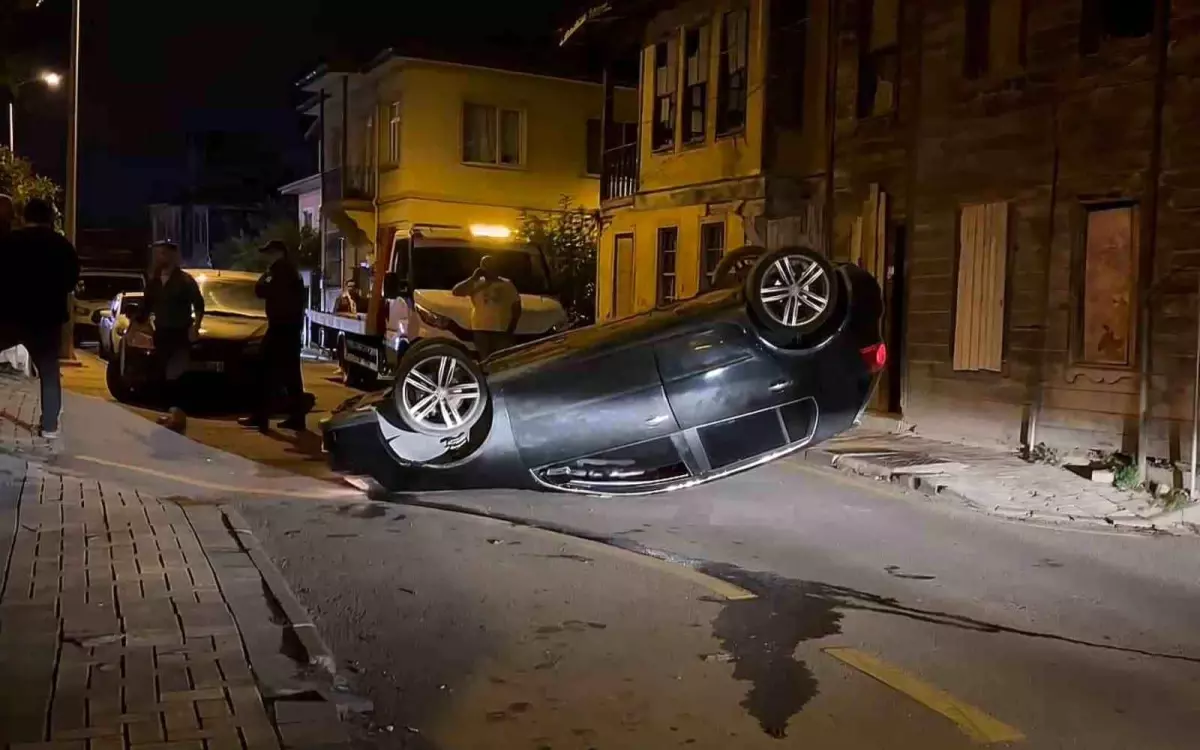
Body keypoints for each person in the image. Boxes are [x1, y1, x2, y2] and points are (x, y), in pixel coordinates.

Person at [1, 198, 81, 439]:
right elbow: (70, 282)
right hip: (46, 318)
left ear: (25, 217)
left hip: (9, 315)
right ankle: (49, 427)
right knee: (48, 371)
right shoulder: (62, 246)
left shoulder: (9, 242)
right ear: (49, 219)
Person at [239, 239, 308, 432]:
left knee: (264, 371)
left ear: (278, 253)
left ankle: (261, 417)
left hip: (281, 328)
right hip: (290, 328)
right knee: (291, 374)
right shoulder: (289, 271)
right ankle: (296, 418)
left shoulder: (280, 271)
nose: (266, 257)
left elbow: (261, 291)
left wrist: (264, 276)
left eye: (268, 253)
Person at [135, 241, 204, 432]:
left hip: (180, 333)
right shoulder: (155, 282)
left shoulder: (184, 281)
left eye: (163, 254)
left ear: (172, 257)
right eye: (158, 254)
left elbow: (199, 305)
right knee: (162, 375)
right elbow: (145, 306)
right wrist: (136, 326)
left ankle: (178, 416)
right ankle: (171, 412)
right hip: (162, 333)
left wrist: (195, 327)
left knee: (176, 375)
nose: (159, 258)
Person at [452, 255, 521, 359]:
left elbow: (517, 307)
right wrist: (473, 278)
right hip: (480, 330)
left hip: (501, 330)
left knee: (501, 360)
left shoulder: (507, 284)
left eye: (491, 265)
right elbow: (456, 291)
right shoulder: (476, 283)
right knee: (485, 359)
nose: (488, 268)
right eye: (485, 266)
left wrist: (511, 327)